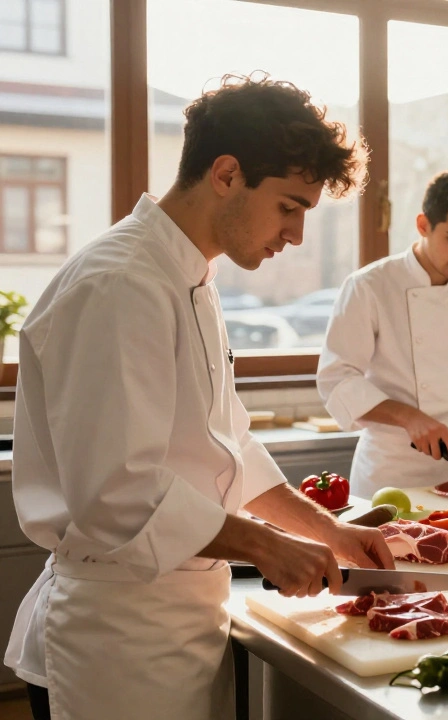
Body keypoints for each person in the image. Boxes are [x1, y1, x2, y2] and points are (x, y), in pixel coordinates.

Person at [3, 75, 395, 720]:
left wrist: (323, 529)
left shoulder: (192, 277)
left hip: (183, 617)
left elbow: (226, 442)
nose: (295, 235)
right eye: (289, 206)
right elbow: (116, 493)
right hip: (118, 638)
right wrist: (270, 546)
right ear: (226, 174)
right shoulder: (119, 285)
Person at [318, 171, 448, 497]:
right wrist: (409, 417)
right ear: (423, 225)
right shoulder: (370, 287)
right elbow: (336, 379)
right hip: (391, 471)